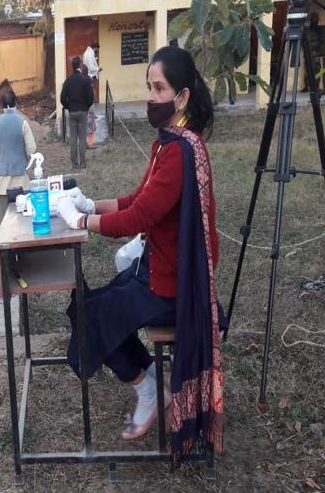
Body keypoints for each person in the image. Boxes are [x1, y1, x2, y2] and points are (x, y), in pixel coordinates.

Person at [55, 46, 226, 460]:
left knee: (92, 318)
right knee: (89, 306)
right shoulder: (169, 144)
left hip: (173, 288)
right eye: (149, 86)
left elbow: (139, 217)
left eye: (159, 88)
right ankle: (151, 380)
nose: (151, 97)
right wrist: (90, 204)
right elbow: (137, 199)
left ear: (182, 97)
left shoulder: (179, 152)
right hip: (158, 271)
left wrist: (80, 221)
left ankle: (149, 391)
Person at [0, 90, 36, 216]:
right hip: (20, 177)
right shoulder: (22, 122)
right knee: (23, 216)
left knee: (5, 219)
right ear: (15, 103)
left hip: (3, 180)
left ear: (2, 104)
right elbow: (31, 148)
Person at [60, 56, 94, 169]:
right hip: (83, 111)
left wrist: (68, 106)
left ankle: (74, 164)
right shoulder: (85, 80)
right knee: (82, 137)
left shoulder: (68, 81)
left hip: (72, 112)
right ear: (80, 65)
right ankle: (82, 163)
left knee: (73, 138)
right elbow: (91, 97)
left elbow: (62, 98)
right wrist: (86, 107)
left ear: (72, 66)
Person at [302, 12, 324, 93]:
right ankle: (307, 87)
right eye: (313, 19)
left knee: (316, 71)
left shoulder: (319, 30)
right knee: (307, 71)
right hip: (309, 53)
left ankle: (315, 87)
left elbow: (322, 42)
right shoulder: (307, 30)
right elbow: (303, 41)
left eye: (315, 19)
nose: (314, 21)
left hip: (315, 54)